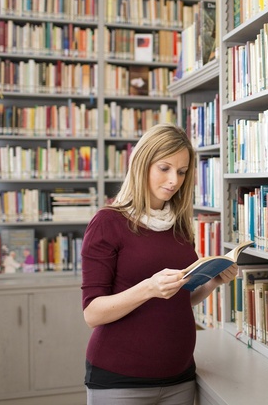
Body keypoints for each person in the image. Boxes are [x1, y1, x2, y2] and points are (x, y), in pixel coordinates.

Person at [81, 123, 236, 405]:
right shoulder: (108, 222)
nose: (174, 180)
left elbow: (179, 299)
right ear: (142, 165)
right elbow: (92, 313)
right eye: (164, 168)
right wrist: (149, 288)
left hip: (180, 376)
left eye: (181, 172)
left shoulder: (178, 225)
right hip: (121, 380)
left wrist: (213, 281)